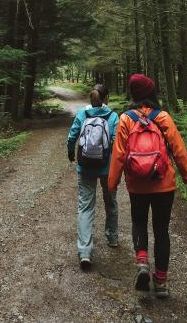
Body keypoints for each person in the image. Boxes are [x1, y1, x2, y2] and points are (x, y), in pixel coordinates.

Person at [107, 74, 187, 298]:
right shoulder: (163, 117)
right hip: (163, 183)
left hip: (137, 184)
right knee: (162, 230)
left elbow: (118, 155)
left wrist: (112, 183)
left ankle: (142, 262)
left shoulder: (126, 118)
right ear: (151, 93)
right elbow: (178, 148)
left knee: (138, 222)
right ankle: (161, 282)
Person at [66, 87, 120, 270]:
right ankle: (112, 237)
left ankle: (85, 251)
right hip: (107, 167)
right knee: (110, 201)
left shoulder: (83, 113)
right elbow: (117, 142)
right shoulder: (113, 116)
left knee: (85, 206)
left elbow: (72, 136)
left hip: (86, 166)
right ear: (107, 98)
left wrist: (70, 153)